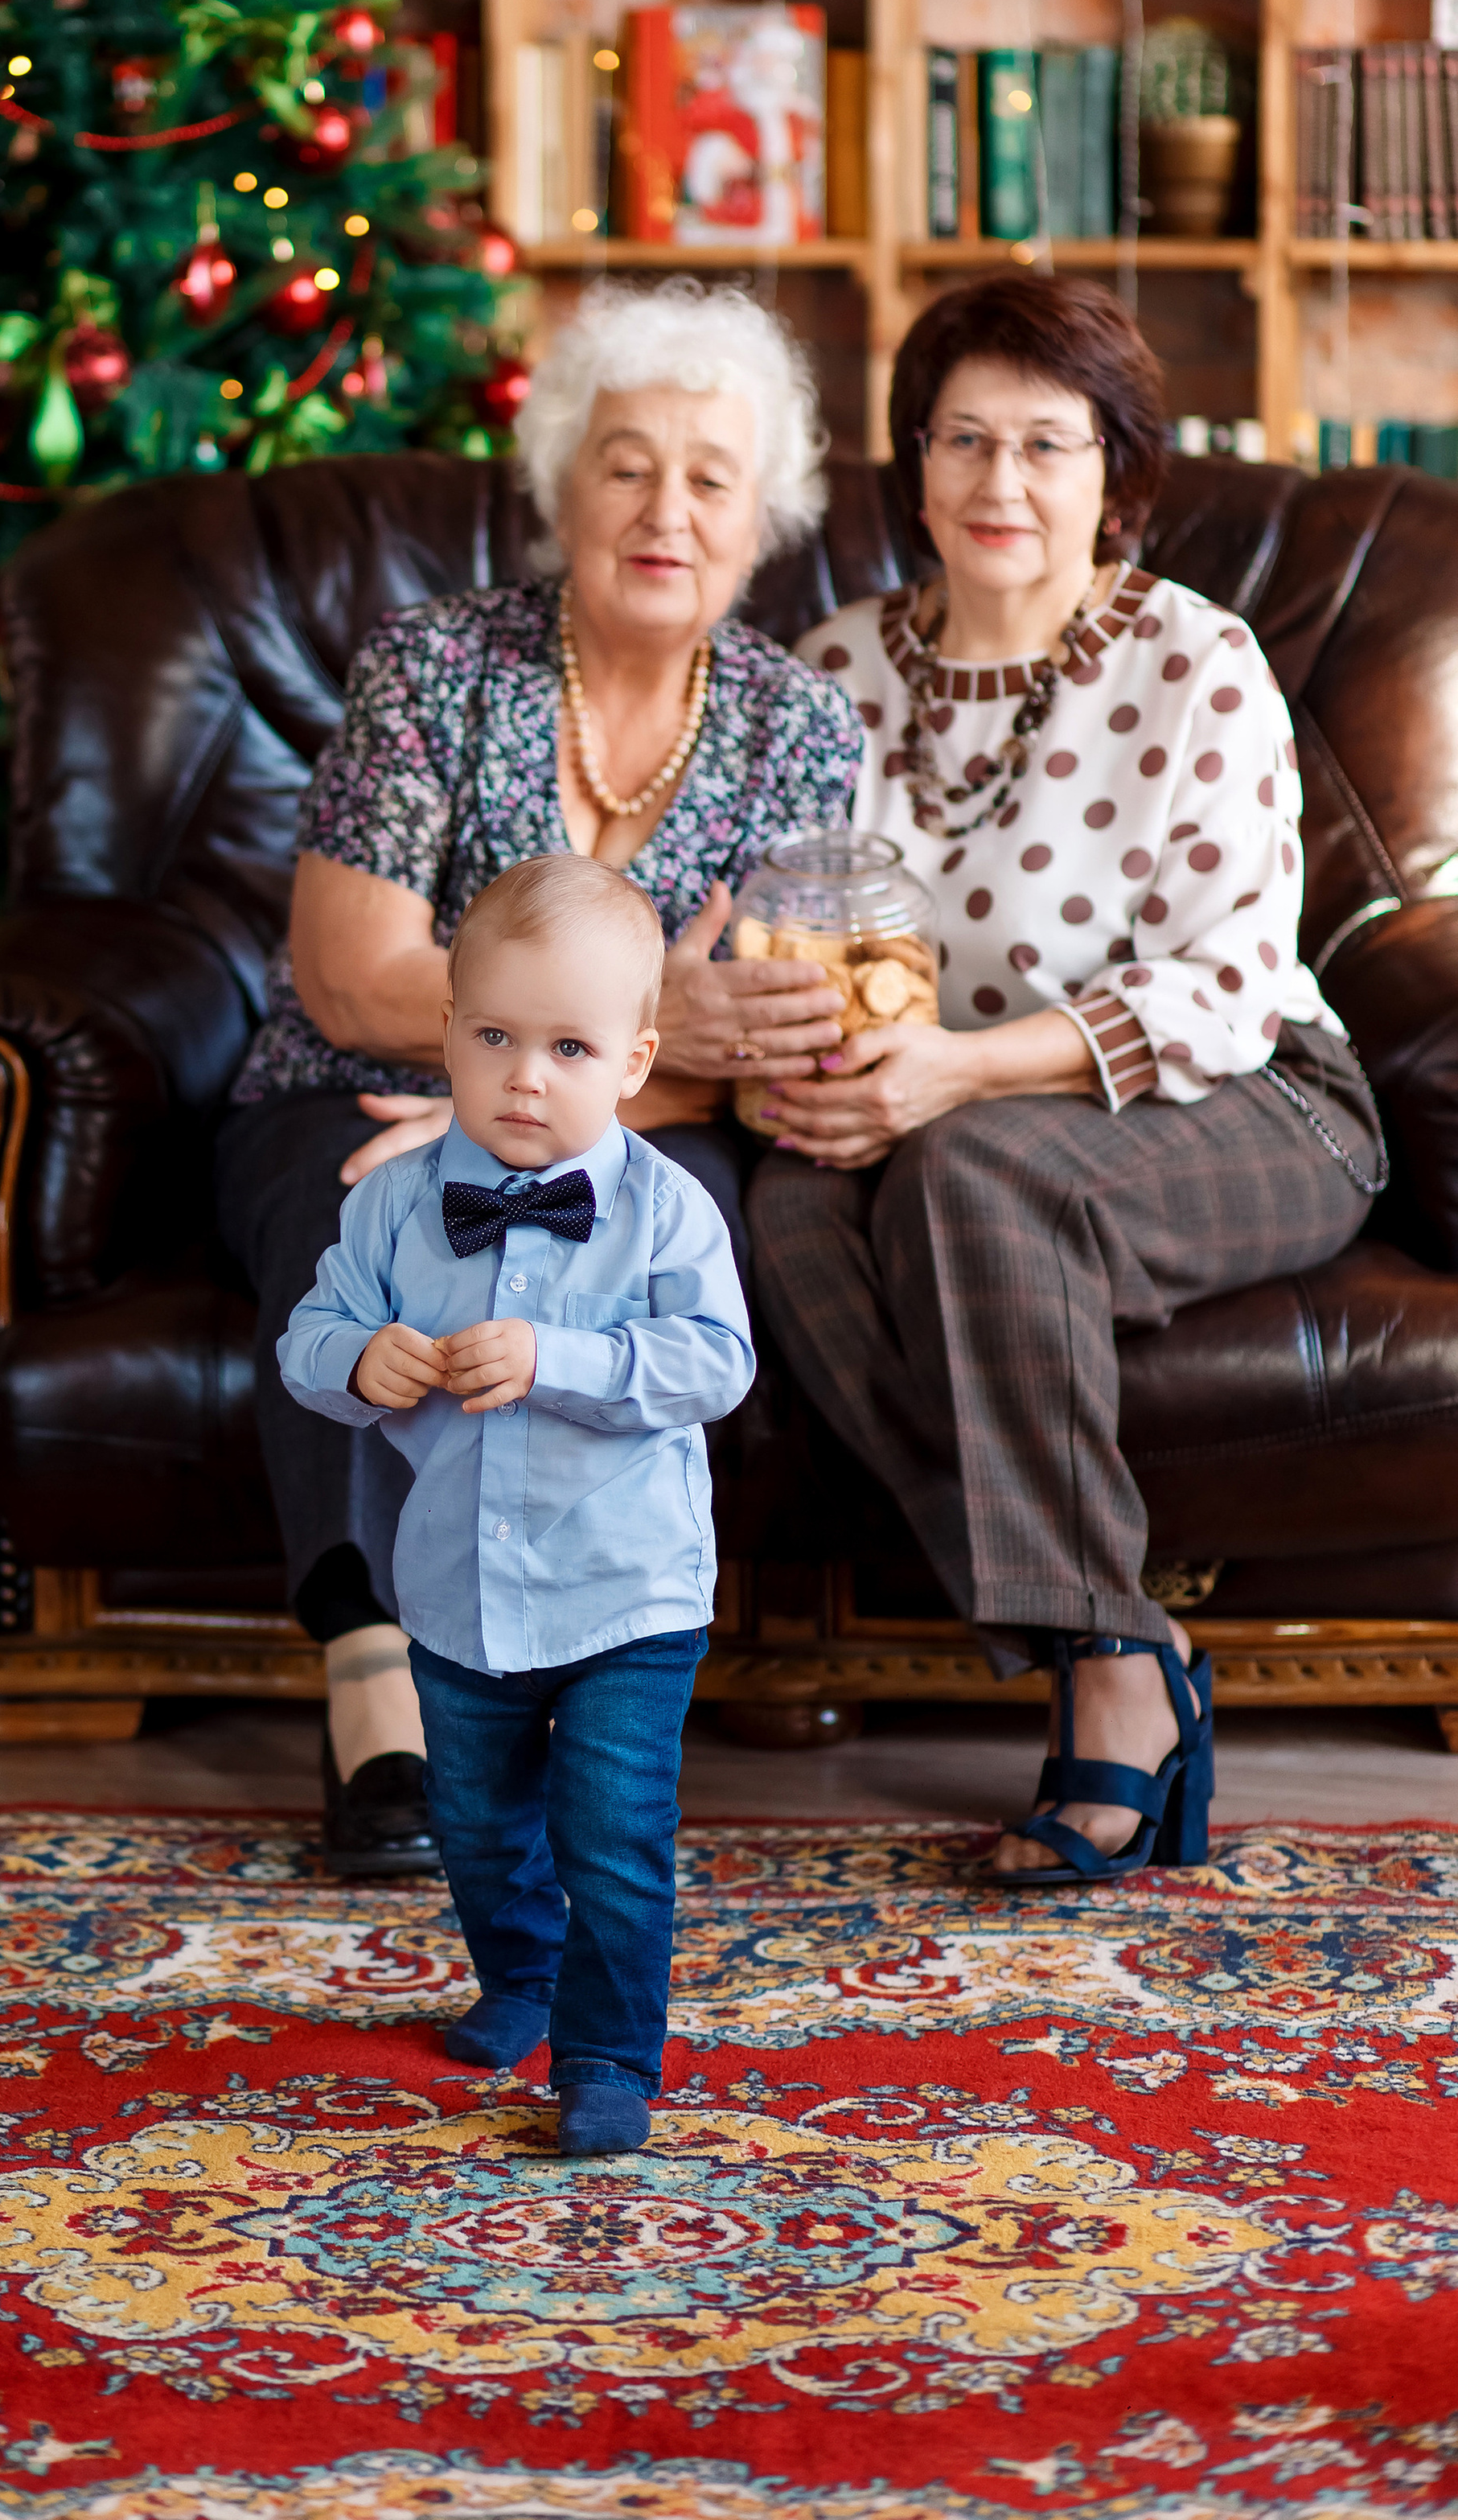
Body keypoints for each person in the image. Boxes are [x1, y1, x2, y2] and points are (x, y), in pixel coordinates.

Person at [215, 278, 862, 1881]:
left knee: (637, 1232)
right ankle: (375, 1682)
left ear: (761, 517)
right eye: (625, 463)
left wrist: (542, 1096)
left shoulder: (800, 731)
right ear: (560, 483)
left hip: (651, 1125)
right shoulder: (434, 667)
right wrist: (544, 1053)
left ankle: (573, 1671)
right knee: (367, 1193)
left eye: (710, 477)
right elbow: (352, 974)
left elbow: (760, 1041)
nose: (665, 508)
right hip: (356, 1083)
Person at [745, 273, 1385, 1885]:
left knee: (976, 1171)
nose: (998, 484)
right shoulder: (831, 673)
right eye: (961, 440)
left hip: (1246, 1097)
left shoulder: (1195, 660)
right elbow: (800, 928)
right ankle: (1113, 1635)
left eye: (1046, 444)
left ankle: (1106, 1685)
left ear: (1117, 471)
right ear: (910, 462)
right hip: (947, 1111)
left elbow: (1226, 977)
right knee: (791, 1206)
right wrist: (808, 1056)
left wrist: (955, 1073)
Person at [280, 857, 754, 2155]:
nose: (527, 1076)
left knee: (611, 1834)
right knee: (475, 1825)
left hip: (627, 1591)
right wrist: (355, 1360)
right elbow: (309, 1337)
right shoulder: (392, 1204)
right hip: (458, 1590)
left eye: (569, 1046)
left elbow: (717, 1362)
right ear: (447, 1037)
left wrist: (569, 1361)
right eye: (494, 1037)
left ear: (635, 1062)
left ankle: (608, 2055)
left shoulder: (666, 1211)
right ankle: (521, 1978)